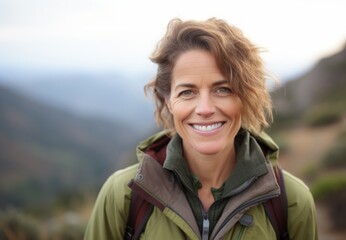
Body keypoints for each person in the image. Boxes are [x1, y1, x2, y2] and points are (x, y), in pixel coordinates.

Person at [84, 18, 318, 240]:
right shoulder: (123, 196)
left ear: (244, 96)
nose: (205, 109)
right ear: (168, 102)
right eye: (187, 92)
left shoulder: (290, 202)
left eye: (223, 89)